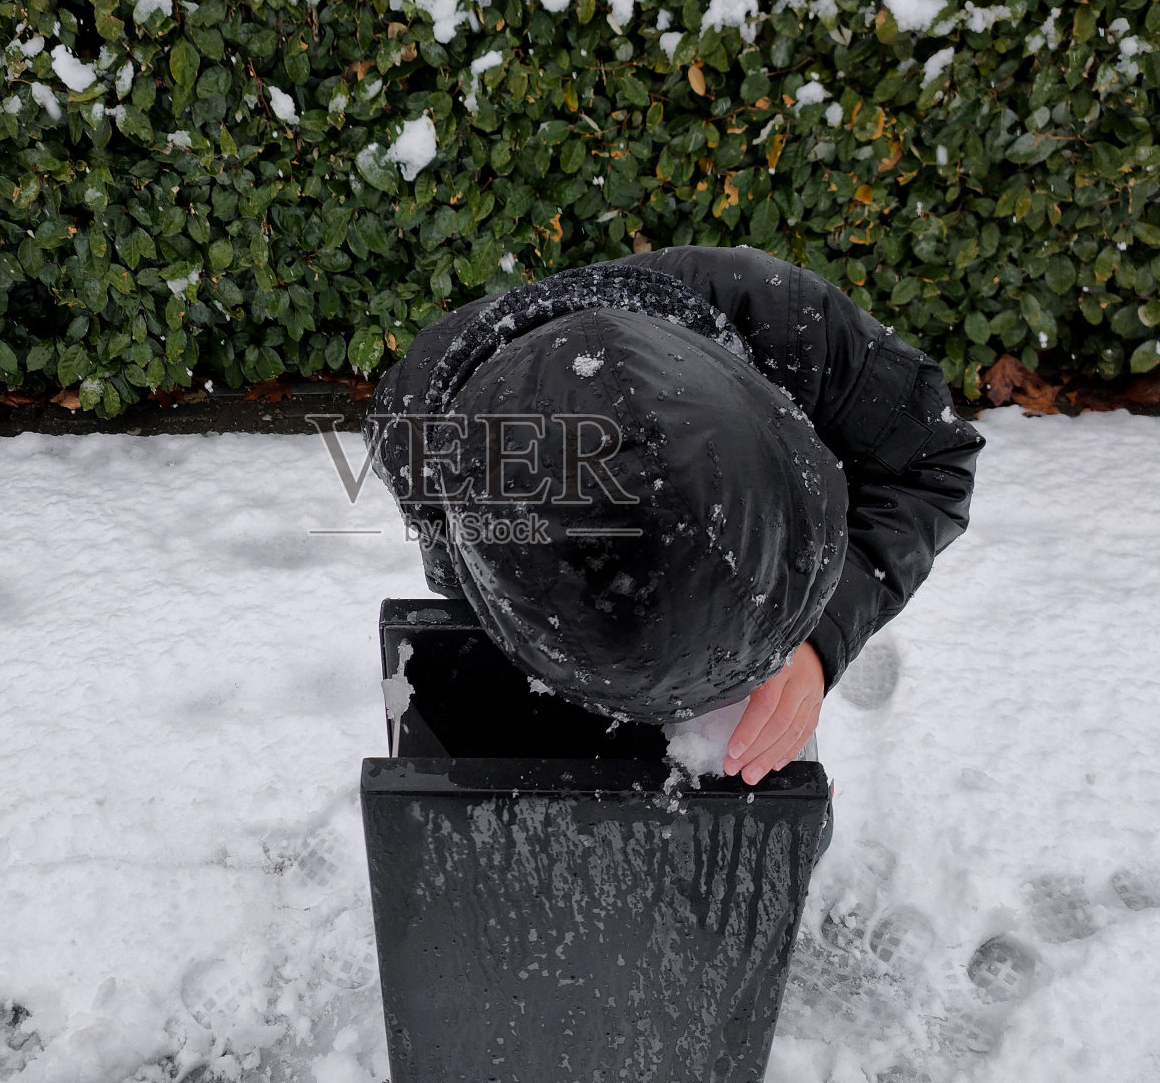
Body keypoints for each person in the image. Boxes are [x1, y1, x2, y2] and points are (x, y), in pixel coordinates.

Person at [366, 244, 983, 785]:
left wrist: (821, 636)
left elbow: (933, 460)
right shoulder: (419, 433)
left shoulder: (792, 328)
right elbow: (482, 602)